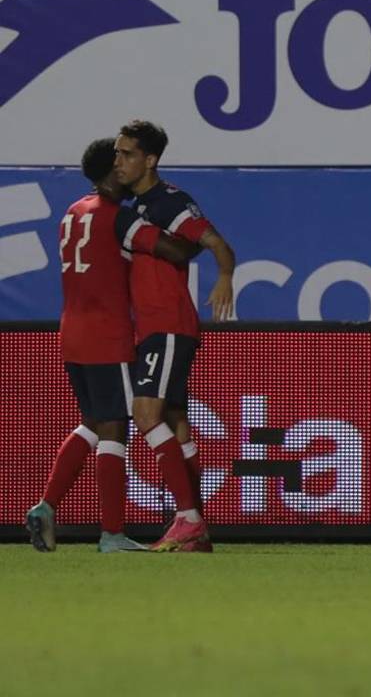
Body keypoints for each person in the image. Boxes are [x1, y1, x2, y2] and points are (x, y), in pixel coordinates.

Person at [26, 138, 196, 553]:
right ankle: (114, 533)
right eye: (119, 163)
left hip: (71, 332)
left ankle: (46, 506)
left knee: (92, 422)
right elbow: (174, 250)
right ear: (111, 172)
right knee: (118, 427)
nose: (125, 169)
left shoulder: (72, 212)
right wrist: (199, 236)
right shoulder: (119, 217)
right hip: (108, 336)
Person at [113, 120, 236, 552]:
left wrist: (224, 277)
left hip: (167, 326)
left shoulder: (169, 201)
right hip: (154, 327)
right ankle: (197, 533)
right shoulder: (134, 205)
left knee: (145, 414)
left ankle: (188, 518)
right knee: (175, 424)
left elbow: (218, 243)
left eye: (127, 154)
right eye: (117, 153)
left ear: (150, 160)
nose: (119, 161)